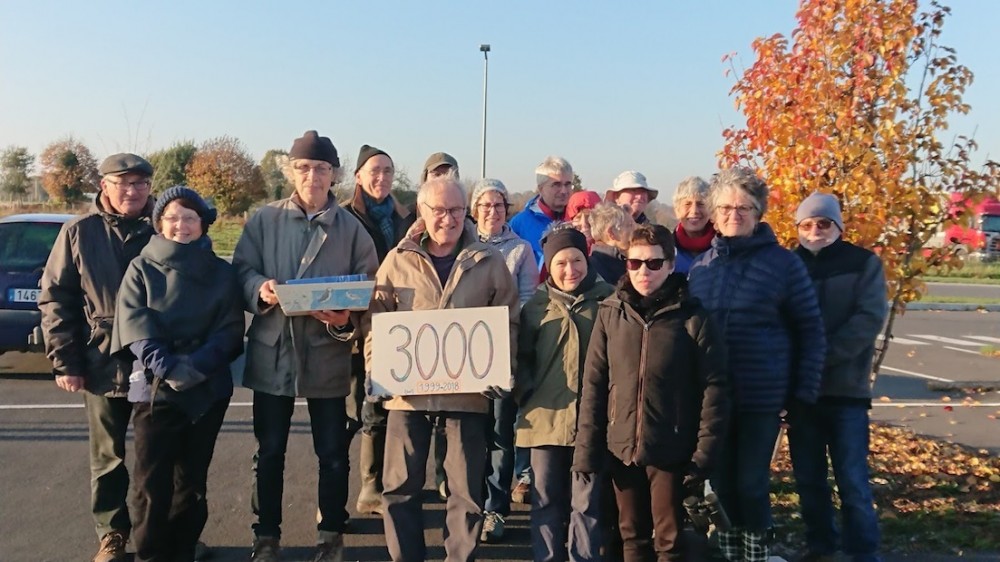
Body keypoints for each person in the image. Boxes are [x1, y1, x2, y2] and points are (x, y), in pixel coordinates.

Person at [233, 130, 379, 562]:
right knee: (270, 450)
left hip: (327, 351)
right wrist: (261, 288)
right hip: (273, 347)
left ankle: (331, 533)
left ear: (333, 174)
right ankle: (266, 535)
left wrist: (345, 318)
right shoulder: (263, 221)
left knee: (333, 452)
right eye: (303, 167)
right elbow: (241, 269)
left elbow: (369, 286)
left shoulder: (352, 230)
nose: (312, 175)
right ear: (291, 171)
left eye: (320, 168)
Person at [365, 177, 519, 562]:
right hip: (406, 395)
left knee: (466, 491)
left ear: (465, 212)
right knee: (399, 488)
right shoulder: (397, 259)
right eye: (439, 210)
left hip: (467, 395)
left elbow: (509, 320)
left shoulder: (488, 260)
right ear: (422, 212)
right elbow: (376, 320)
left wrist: (503, 366)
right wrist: (375, 368)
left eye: (455, 210)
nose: (448, 219)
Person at [687, 167, 826, 562]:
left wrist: (801, 395)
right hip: (712, 399)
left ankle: (757, 555)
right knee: (722, 485)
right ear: (714, 213)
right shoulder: (701, 270)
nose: (735, 214)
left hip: (761, 397)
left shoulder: (784, 265)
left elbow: (811, 331)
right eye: (727, 207)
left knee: (750, 484)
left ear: (759, 212)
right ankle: (733, 555)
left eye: (744, 207)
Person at [575, 224, 730, 561]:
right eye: (635, 263)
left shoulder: (693, 317)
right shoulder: (610, 312)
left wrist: (703, 455)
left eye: (654, 263)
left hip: (671, 449)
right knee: (631, 535)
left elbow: (714, 389)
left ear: (671, 264)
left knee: (670, 539)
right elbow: (595, 384)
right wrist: (587, 450)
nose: (643, 271)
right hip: (621, 447)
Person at [110, 186, 245, 562]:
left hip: (208, 388)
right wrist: (169, 367)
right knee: (150, 480)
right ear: (159, 224)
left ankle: (184, 549)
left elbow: (230, 329)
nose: (181, 225)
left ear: (202, 224)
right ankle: (151, 553)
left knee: (191, 480)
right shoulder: (141, 266)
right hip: (154, 387)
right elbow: (135, 323)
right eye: (172, 218)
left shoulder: (221, 272)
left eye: (189, 217)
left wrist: (197, 367)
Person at [39, 153, 156, 562]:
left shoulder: (166, 226)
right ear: (103, 187)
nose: (132, 191)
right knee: (108, 457)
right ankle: (112, 534)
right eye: (122, 183)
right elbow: (57, 298)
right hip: (102, 360)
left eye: (140, 183)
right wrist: (66, 361)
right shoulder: (79, 232)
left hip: (158, 362)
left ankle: (163, 533)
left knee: (160, 455)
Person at [789, 193, 888, 562]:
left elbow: (868, 320)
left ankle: (862, 550)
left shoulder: (863, 263)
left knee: (852, 479)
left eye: (824, 223)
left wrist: (819, 357)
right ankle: (821, 548)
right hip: (802, 395)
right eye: (807, 224)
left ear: (839, 227)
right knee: (809, 480)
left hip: (847, 391)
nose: (816, 230)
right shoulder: (789, 264)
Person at [515, 228, 613, 561]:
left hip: (592, 422)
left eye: (576, 260)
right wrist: (524, 390)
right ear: (549, 266)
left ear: (587, 260)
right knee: (545, 501)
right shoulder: (535, 307)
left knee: (586, 503)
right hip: (544, 420)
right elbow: (521, 357)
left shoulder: (608, 302)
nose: (570, 270)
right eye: (561, 262)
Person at [344, 144, 416, 516]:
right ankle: (368, 484)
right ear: (358, 176)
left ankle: (392, 482)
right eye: (374, 171)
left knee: (394, 407)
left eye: (388, 171)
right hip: (356, 327)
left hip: (400, 326)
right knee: (363, 409)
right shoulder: (343, 217)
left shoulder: (408, 217)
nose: (382, 178)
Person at [469, 177, 539, 543]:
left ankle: (495, 507)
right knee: (465, 434)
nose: (491, 211)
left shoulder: (521, 249)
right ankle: (467, 503)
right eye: (484, 205)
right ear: (473, 209)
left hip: (501, 354)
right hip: (461, 356)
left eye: (498, 205)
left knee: (499, 434)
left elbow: (528, 299)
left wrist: (500, 329)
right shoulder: (461, 243)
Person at [510, 156, 575, 268]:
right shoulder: (520, 224)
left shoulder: (579, 220)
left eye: (568, 184)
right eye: (556, 185)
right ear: (541, 189)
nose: (564, 191)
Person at [671, 176, 713, 275]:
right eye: (687, 204)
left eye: (701, 204)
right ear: (677, 210)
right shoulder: (665, 249)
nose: (694, 211)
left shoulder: (724, 247)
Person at [587, 202, 636, 285]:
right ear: (612, 233)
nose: (635, 229)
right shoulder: (594, 268)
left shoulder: (621, 260)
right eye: (630, 225)